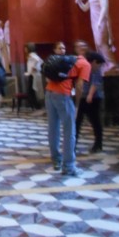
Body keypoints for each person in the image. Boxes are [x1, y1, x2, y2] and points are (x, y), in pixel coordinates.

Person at [44, 41, 91, 177]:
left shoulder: (68, 59)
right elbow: (80, 86)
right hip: (63, 95)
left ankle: (56, 160)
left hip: (49, 93)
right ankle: (69, 166)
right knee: (69, 130)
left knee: (53, 128)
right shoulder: (85, 64)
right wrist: (76, 105)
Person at [75, 0, 119, 73]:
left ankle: (112, 63)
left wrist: (100, 21)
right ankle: (106, 63)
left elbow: (104, 8)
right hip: (94, 22)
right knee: (98, 44)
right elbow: (85, 8)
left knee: (101, 42)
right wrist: (79, 2)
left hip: (101, 21)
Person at [76, 51, 106, 154]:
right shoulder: (85, 66)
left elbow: (95, 83)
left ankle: (98, 144)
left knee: (95, 122)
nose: (99, 66)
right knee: (77, 122)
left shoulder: (96, 70)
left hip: (93, 98)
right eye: (99, 64)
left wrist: (90, 95)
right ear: (93, 62)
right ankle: (73, 145)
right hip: (83, 97)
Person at [24, 42, 44, 110]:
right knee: (31, 91)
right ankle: (36, 106)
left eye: (26, 48)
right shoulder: (32, 55)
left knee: (31, 91)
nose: (25, 49)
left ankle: (37, 106)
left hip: (33, 75)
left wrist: (35, 67)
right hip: (32, 74)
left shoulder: (32, 55)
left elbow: (39, 61)